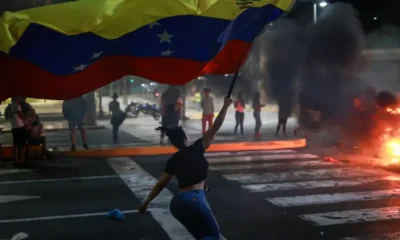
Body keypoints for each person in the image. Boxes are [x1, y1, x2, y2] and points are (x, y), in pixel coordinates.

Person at [138, 97, 233, 240]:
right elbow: (216, 126)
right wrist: (225, 106)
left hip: (177, 204)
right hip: (194, 199)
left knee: (201, 236)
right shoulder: (197, 148)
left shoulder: (174, 160)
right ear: (185, 138)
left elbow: (161, 184)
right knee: (213, 236)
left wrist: (145, 203)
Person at [9, 97, 27, 165]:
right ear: (17, 98)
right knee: (23, 144)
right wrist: (30, 114)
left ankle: (15, 160)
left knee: (15, 144)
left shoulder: (10, 105)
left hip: (13, 127)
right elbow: (22, 116)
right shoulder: (17, 105)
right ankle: (21, 160)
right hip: (19, 127)